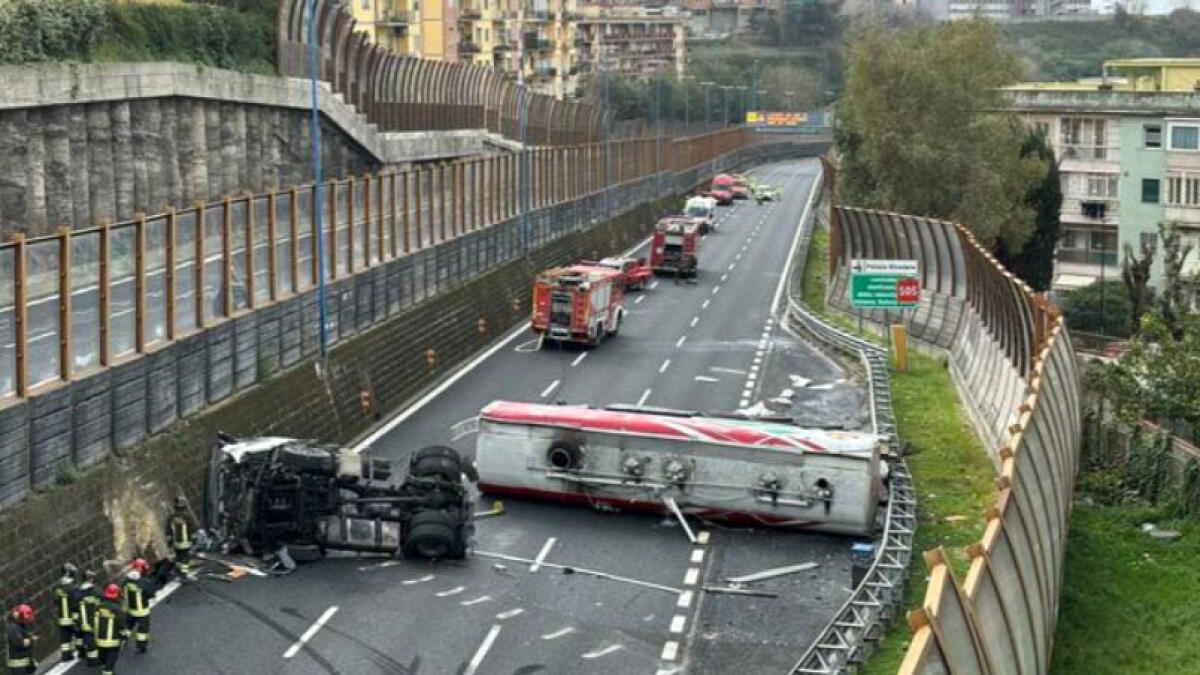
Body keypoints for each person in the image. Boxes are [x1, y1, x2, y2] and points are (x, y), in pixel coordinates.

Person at [122, 559, 155, 654]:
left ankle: (123, 641)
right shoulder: (144, 583)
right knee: (142, 630)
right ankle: (141, 647)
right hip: (142, 611)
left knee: (128, 626)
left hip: (130, 610)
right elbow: (150, 594)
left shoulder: (126, 581)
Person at [94, 585, 127, 675]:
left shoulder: (98, 607)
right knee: (111, 659)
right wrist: (124, 637)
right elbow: (121, 626)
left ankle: (105, 667)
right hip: (113, 641)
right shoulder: (118, 610)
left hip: (99, 639)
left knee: (103, 657)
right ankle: (107, 671)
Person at [53, 563, 78, 662]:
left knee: (64, 636)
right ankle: (82, 652)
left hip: (62, 616)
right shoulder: (72, 588)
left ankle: (66, 655)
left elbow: (55, 601)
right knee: (78, 634)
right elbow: (76, 603)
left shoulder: (57, 587)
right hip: (71, 616)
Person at [76, 570, 101, 667]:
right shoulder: (96, 592)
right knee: (96, 641)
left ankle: (89, 658)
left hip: (83, 622)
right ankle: (96, 660)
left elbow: (74, 607)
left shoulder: (78, 593)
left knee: (86, 639)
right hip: (95, 621)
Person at [168, 496, 196, 578]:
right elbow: (193, 528)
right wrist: (194, 539)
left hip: (176, 542)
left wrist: (169, 541)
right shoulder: (188, 517)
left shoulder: (171, 517)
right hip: (186, 542)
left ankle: (179, 571)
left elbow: (168, 530)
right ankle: (184, 572)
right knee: (185, 557)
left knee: (178, 556)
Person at [5, 605, 36, 675]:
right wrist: (31, 640)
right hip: (19, 666)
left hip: (25, 663)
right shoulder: (13, 629)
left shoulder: (19, 625)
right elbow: (20, 643)